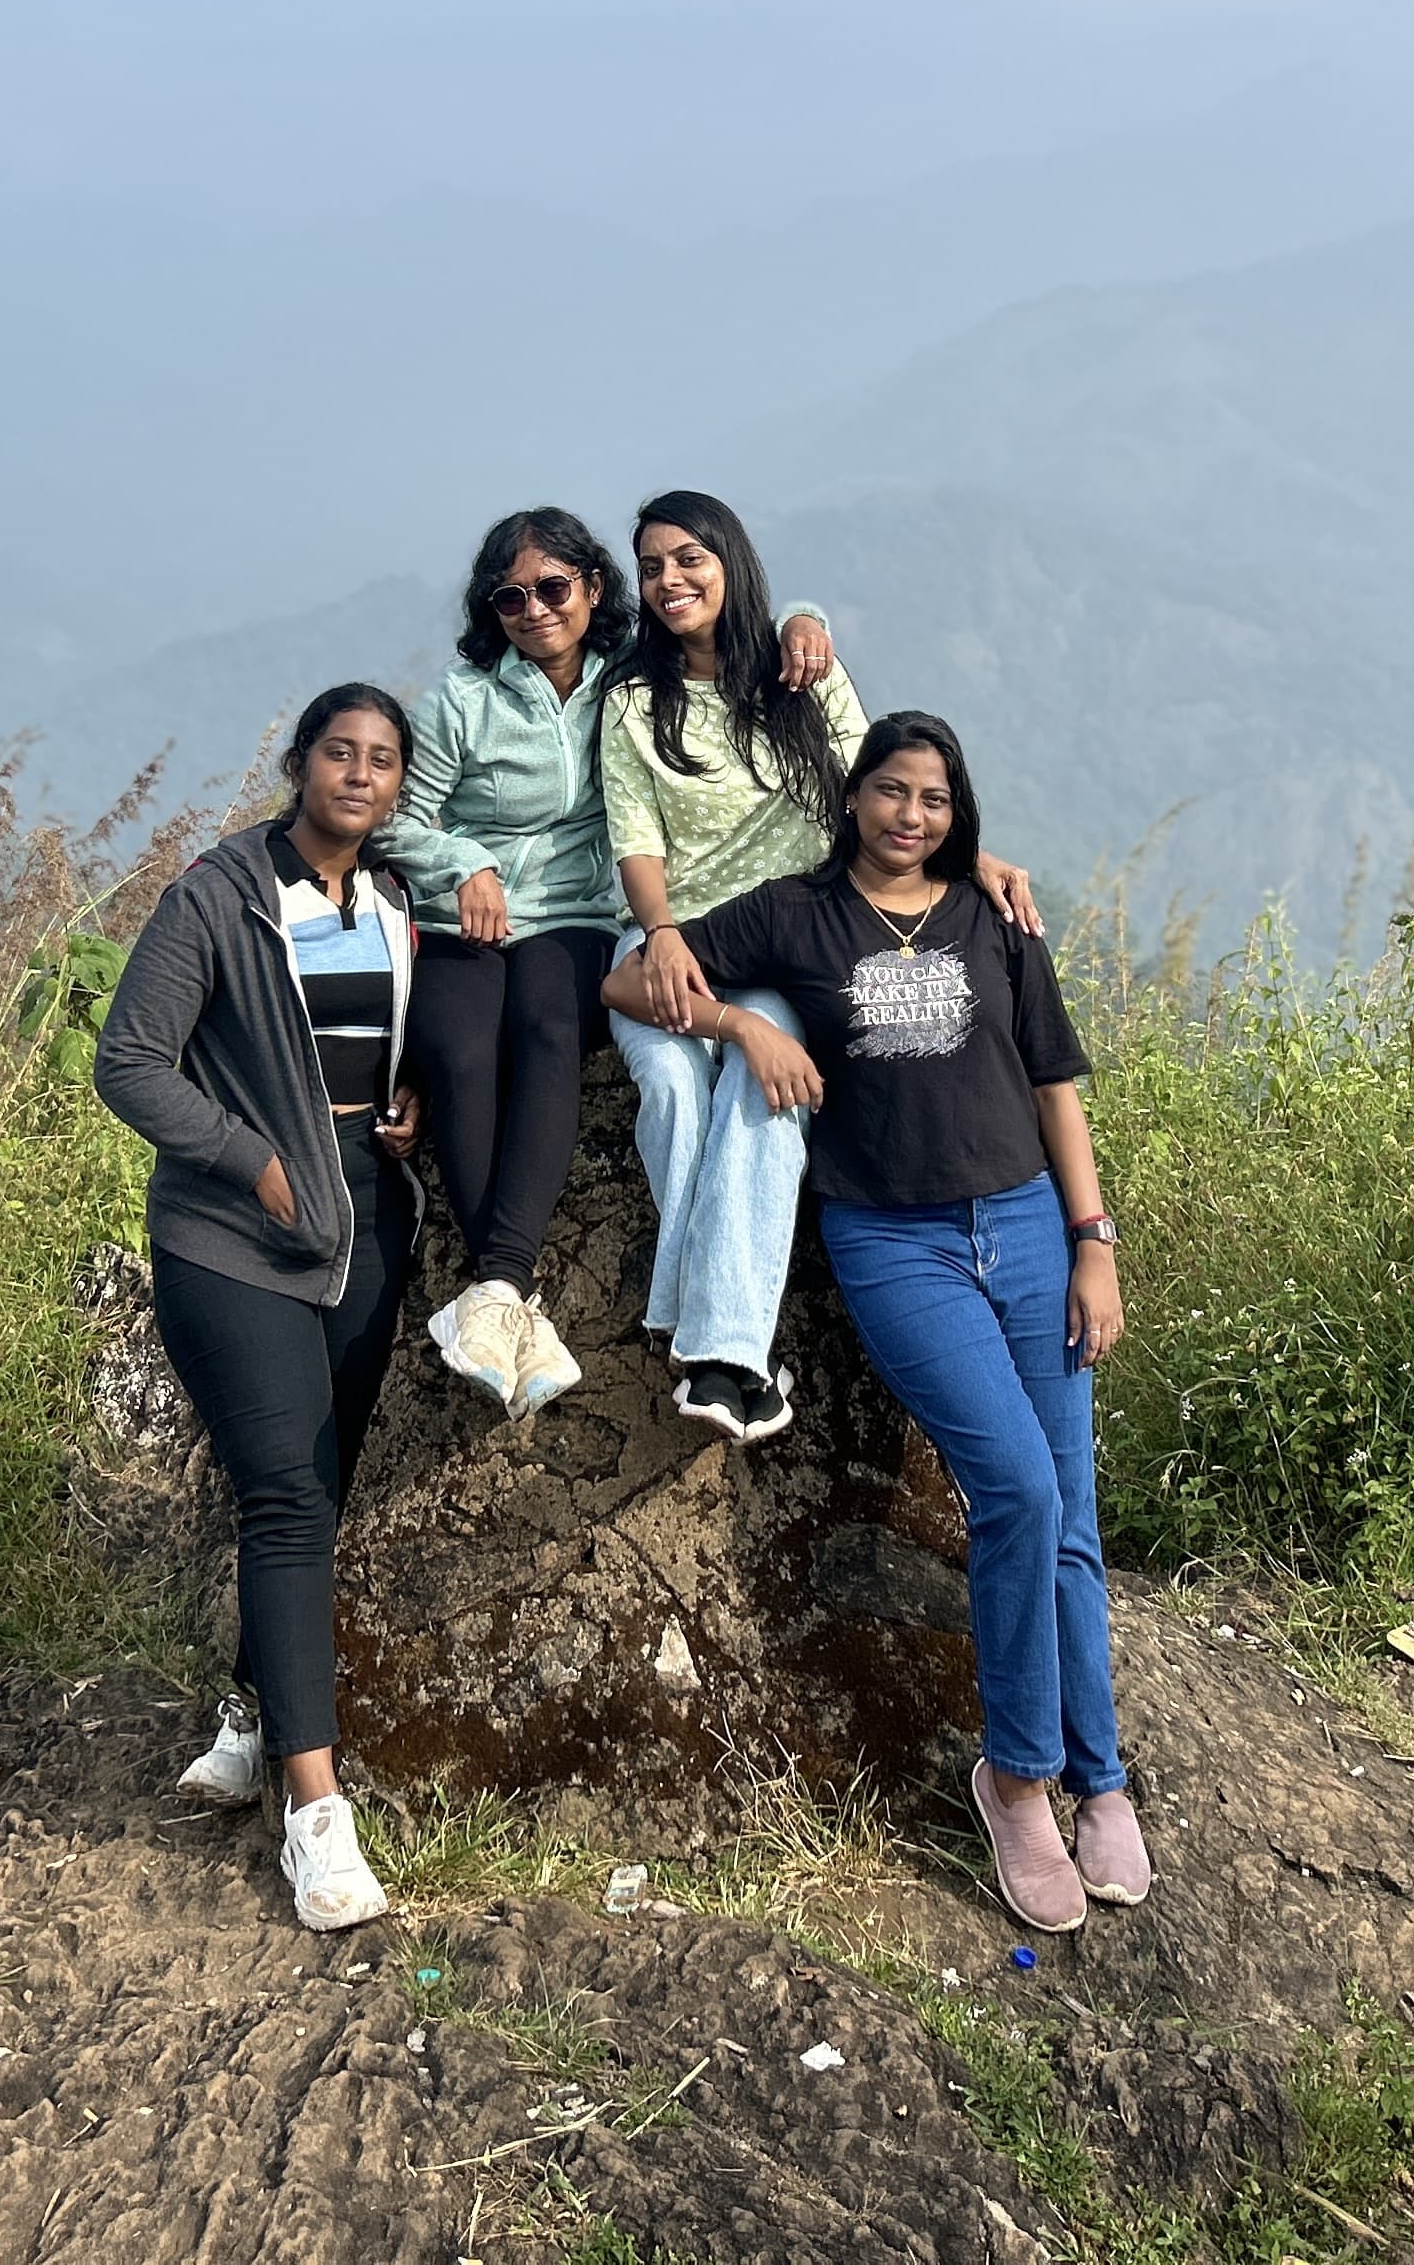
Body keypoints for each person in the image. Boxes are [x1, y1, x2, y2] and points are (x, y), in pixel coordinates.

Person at [598, 710, 1150, 1933]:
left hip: (1024, 1229)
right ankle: (1017, 1781)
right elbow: (631, 974)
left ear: (961, 815)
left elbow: (1054, 1086)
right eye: (892, 793)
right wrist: (742, 1023)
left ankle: (1100, 1778)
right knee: (1018, 1493)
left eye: (936, 801)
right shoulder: (797, 916)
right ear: (853, 799)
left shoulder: (995, 919)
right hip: (895, 1246)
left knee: (1071, 1518)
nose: (913, 816)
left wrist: (1092, 1243)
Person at [382, 505, 840, 1423]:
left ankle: (594, 1313)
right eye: (511, 596)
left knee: (552, 1029)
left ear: (594, 589)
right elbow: (401, 819)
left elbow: (734, 639)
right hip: (486, 919)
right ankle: (504, 1294)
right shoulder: (466, 698)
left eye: (555, 587)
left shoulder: (625, 680)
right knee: (475, 1052)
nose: (536, 608)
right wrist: (464, 862)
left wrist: (808, 615)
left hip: (584, 919)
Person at [93, 682, 428, 1933]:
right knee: (286, 1493)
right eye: (338, 753)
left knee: (316, 1487)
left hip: (364, 1221)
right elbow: (129, 1059)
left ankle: (251, 1717)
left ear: (400, 783)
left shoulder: (392, 899)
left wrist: (408, 1105)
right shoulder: (221, 894)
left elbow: (389, 1043)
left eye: (382, 759)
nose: (359, 774)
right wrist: (253, 1160)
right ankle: (314, 1812)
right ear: (298, 766)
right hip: (235, 1233)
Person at [602, 491, 1040, 1447]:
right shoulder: (635, 701)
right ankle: (714, 1339)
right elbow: (636, 838)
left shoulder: (806, 671)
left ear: (731, 560)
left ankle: (717, 1355)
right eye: (651, 567)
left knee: (767, 1094)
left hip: (784, 944)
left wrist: (975, 857)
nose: (670, 581)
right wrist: (663, 930)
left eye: (690, 559)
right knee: (673, 1083)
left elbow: (887, 786)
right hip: (681, 930)